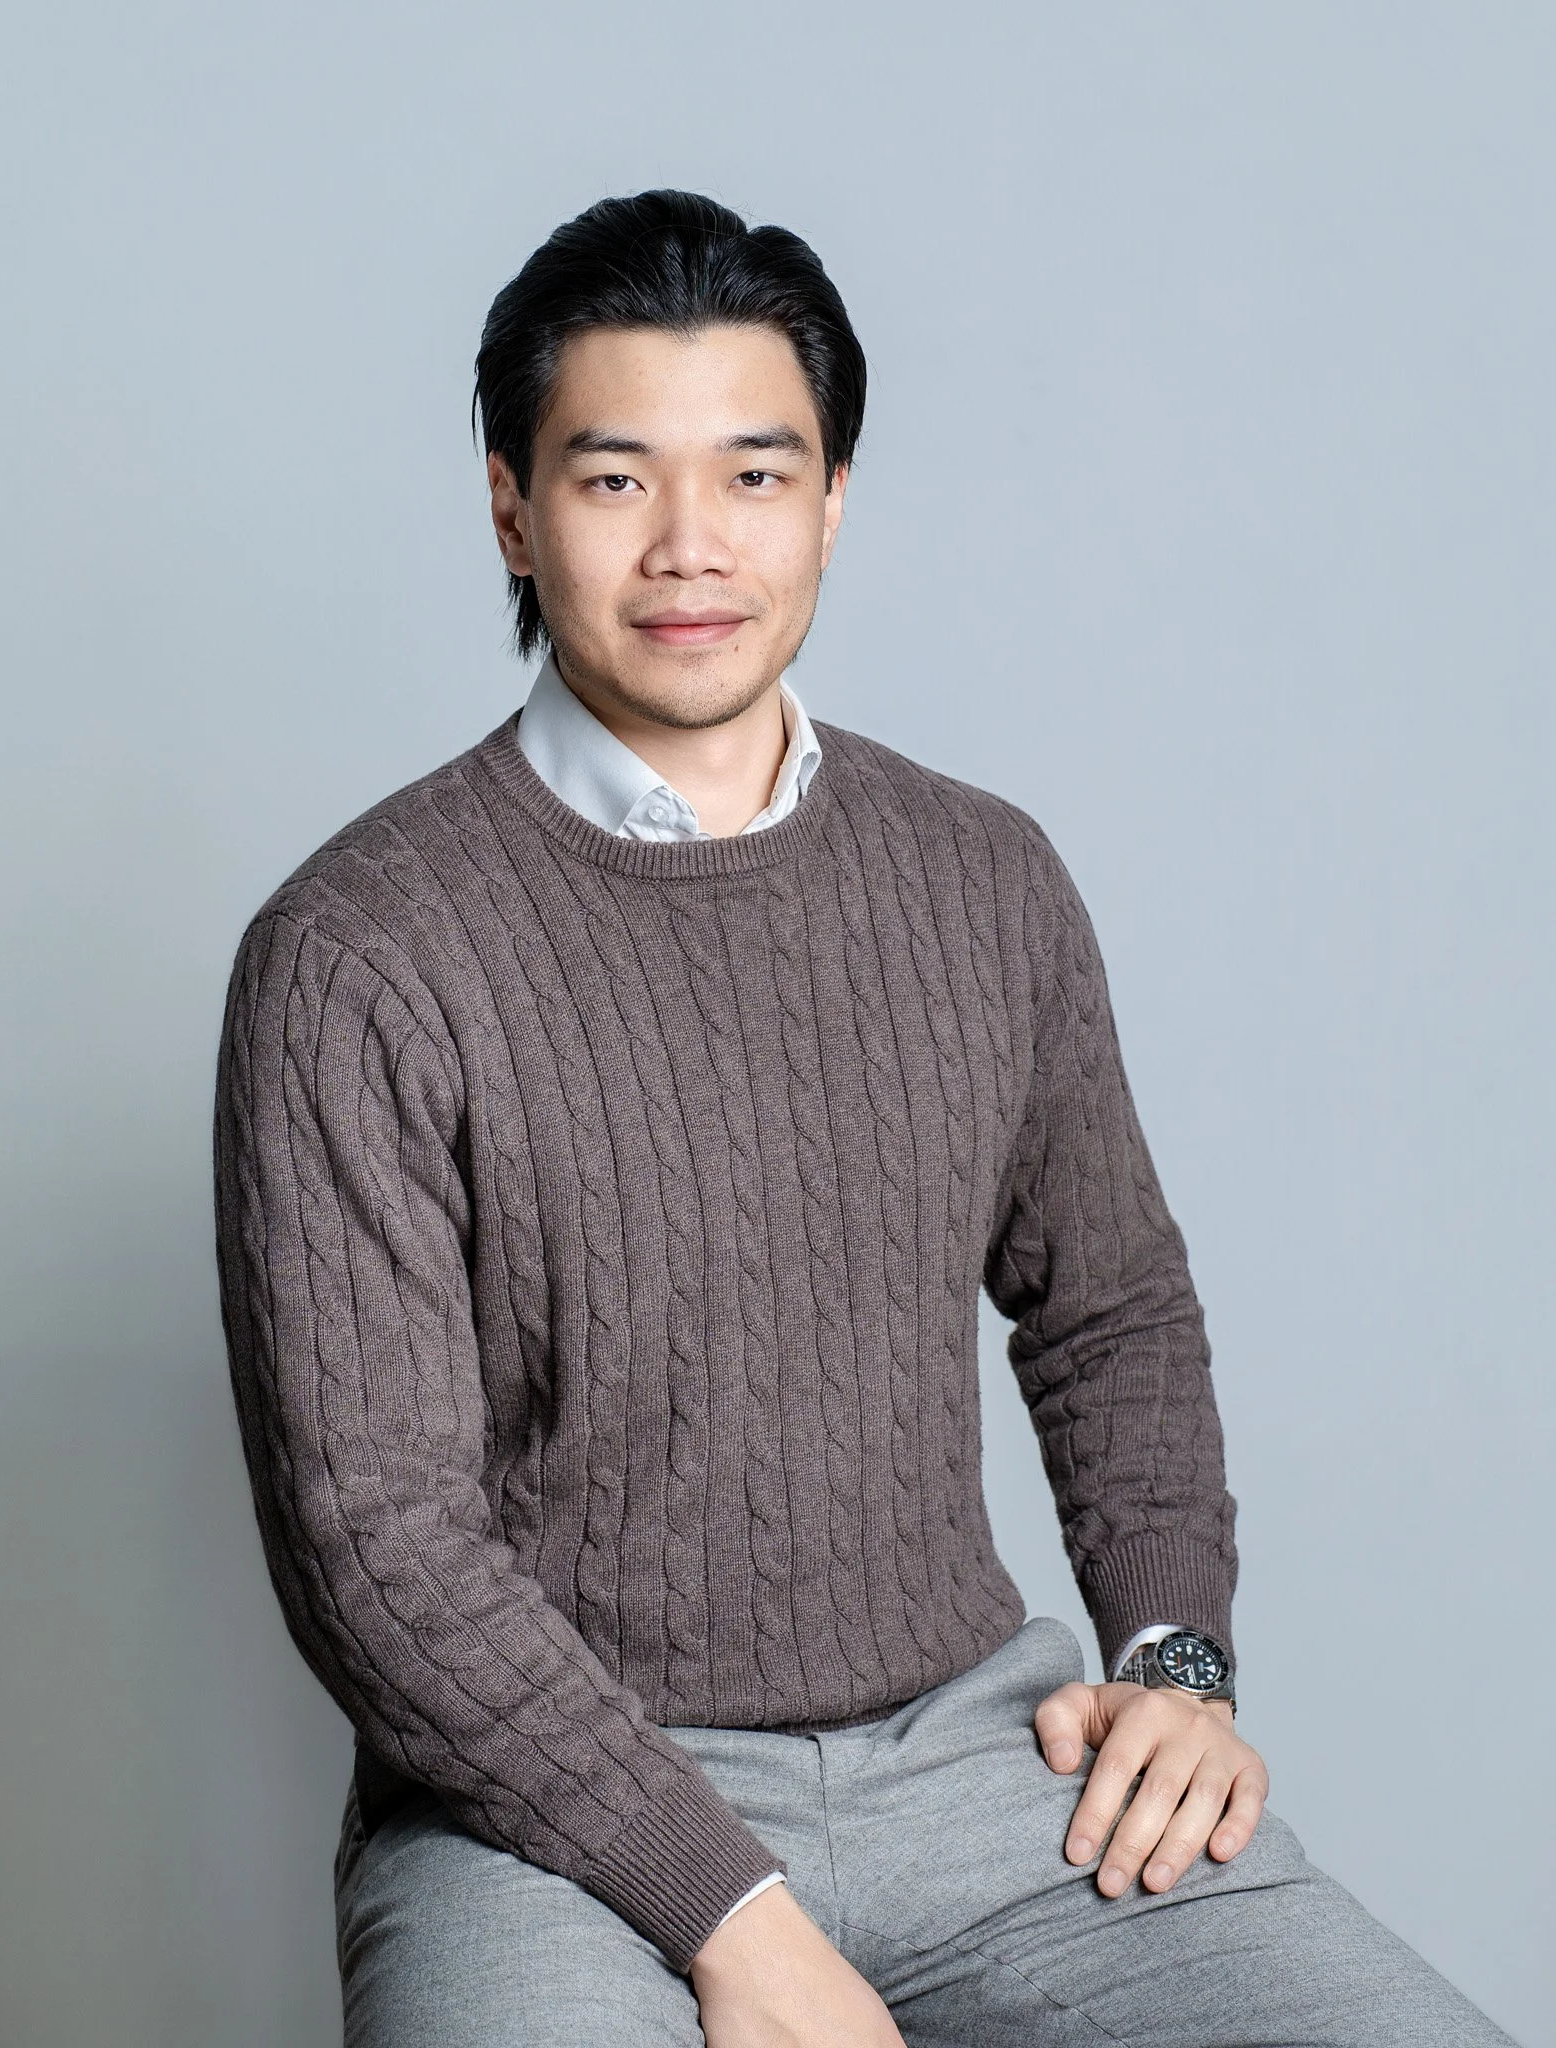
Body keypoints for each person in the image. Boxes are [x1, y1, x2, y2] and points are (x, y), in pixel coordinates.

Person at [212, 189, 1511, 2047]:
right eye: (610, 480)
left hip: (984, 1773)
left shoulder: (981, 877)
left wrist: (1174, 1659)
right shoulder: (358, 952)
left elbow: (1110, 1306)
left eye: (754, 475)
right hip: (542, 1824)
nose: (689, 546)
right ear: (507, 504)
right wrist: (726, 1912)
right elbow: (375, 1538)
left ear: (832, 502)